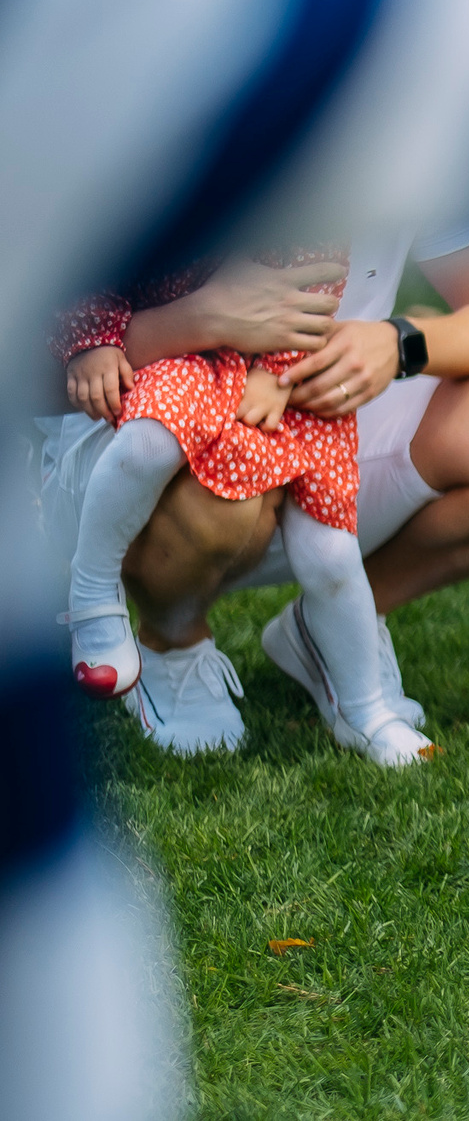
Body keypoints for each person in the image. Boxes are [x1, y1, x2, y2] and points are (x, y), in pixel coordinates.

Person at [34, 222, 469, 755]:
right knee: (216, 466)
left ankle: (335, 641)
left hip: (312, 415)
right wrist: (200, 319)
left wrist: (397, 341)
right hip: (142, 425)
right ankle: (171, 642)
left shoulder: (406, 134)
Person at [55, 247, 433, 767]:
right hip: (189, 359)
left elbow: (316, 284)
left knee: (331, 552)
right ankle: (94, 595)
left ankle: (366, 712)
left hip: (282, 384)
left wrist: (279, 372)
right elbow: (95, 255)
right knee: (149, 443)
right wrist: (94, 340)